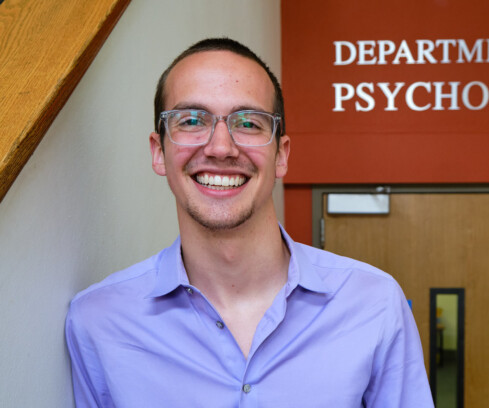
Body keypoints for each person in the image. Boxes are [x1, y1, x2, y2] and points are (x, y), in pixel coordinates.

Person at [65, 38, 434, 408]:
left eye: (249, 123)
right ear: (158, 152)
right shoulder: (99, 321)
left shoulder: (374, 303)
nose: (221, 147)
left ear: (282, 155)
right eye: (192, 120)